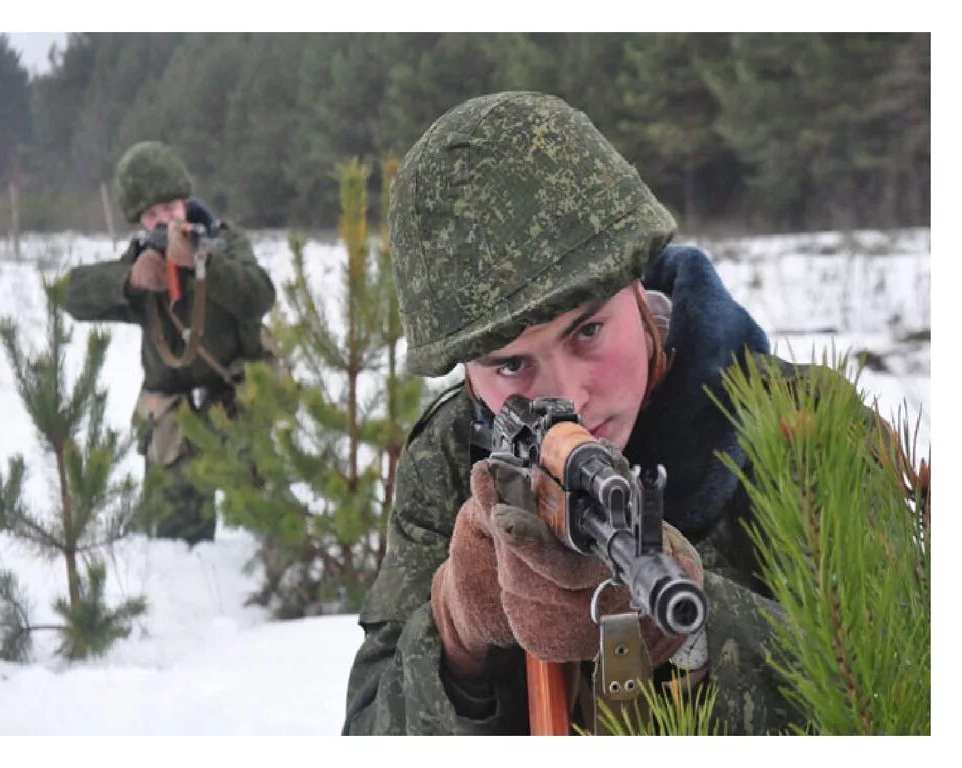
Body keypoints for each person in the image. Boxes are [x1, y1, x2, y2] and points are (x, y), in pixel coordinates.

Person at [343, 92, 812, 735]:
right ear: (469, 374)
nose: (569, 396)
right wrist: (456, 634)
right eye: (511, 365)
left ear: (637, 293)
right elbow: (369, 731)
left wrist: (694, 628)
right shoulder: (451, 458)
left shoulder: (805, 427)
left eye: (587, 331)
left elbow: (904, 704)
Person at [63, 141, 275, 545]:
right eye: (153, 214)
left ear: (186, 202)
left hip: (237, 401)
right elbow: (69, 294)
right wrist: (129, 281)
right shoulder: (143, 259)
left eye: (172, 208)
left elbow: (260, 297)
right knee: (176, 547)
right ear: (140, 220)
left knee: (265, 536)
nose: (165, 221)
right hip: (173, 419)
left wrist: (206, 266)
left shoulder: (223, 242)